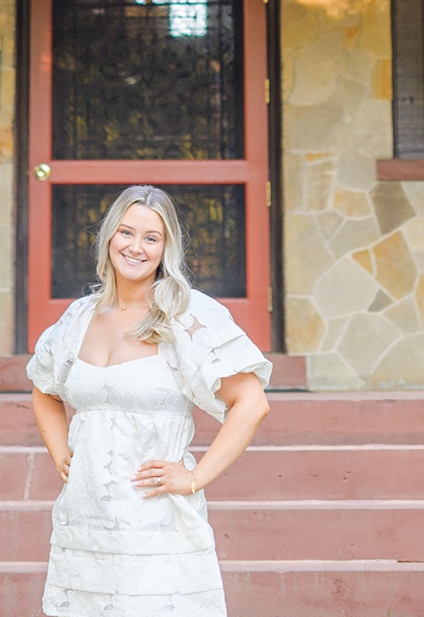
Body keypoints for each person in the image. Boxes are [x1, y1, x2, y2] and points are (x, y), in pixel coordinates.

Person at [28, 185, 273, 614]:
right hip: (86, 520)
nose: (135, 247)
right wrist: (62, 453)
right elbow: (44, 389)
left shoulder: (188, 315)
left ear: (166, 248)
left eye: (151, 238)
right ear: (109, 238)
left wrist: (196, 478)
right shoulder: (79, 317)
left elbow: (252, 403)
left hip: (155, 518)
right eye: (126, 232)